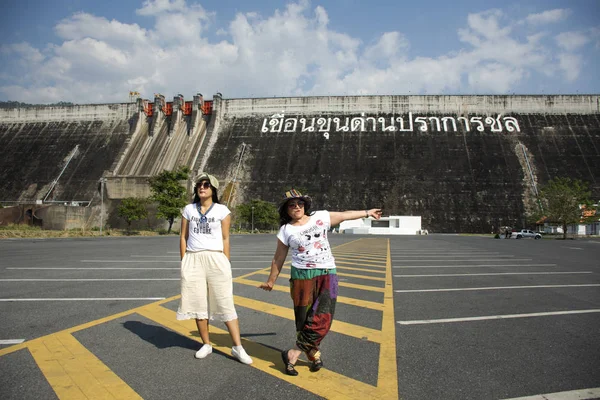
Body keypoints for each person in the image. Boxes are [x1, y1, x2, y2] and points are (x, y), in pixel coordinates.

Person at [259, 189, 382, 376]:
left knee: (324, 316)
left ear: (305, 205)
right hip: (301, 275)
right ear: (286, 210)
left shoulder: (320, 217)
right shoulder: (286, 230)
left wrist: (367, 213)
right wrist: (271, 281)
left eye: (299, 203)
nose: (296, 207)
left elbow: (344, 216)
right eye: (292, 205)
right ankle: (313, 353)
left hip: (328, 273)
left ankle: (293, 352)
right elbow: (279, 257)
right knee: (303, 318)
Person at [177, 172, 252, 365]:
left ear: (213, 189)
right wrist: (184, 261)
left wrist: (225, 262)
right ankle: (206, 344)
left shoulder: (222, 211)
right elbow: (183, 237)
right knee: (198, 303)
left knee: (225, 301)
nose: (202, 188)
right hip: (193, 259)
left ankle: (237, 347)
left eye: (206, 185)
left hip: (216, 258)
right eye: (199, 185)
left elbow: (226, 238)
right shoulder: (188, 209)